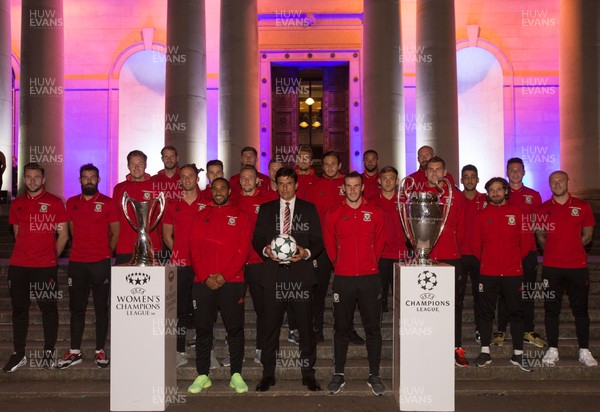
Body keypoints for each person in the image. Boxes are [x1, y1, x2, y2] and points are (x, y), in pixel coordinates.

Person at [252, 167, 323, 392]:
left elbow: (318, 241)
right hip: (273, 277)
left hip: (300, 277)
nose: (284, 188)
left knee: (305, 328)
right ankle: (268, 375)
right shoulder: (266, 209)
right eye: (280, 183)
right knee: (270, 329)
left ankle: (308, 374)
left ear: (296, 185)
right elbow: (256, 240)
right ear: (276, 185)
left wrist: (306, 253)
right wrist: (265, 250)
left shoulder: (309, 209)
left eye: (288, 183)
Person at [187, 178, 251, 394]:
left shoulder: (241, 216)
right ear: (210, 192)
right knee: (203, 330)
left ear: (229, 191)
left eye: (222, 188)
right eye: (214, 189)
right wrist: (206, 277)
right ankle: (203, 375)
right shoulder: (200, 216)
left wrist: (224, 276)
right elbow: (193, 250)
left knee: (235, 330)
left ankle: (236, 374)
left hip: (232, 282)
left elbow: (242, 251)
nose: (218, 192)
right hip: (202, 283)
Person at [324, 172, 386, 396]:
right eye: (348, 186)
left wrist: (369, 263)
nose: (352, 190)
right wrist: (339, 264)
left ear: (362, 188)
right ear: (343, 188)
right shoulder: (334, 214)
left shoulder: (375, 213)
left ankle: (374, 374)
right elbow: (329, 243)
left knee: (373, 329)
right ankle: (338, 373)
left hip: (370, 278)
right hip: (343, 278)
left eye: (356, 186)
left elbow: (379, 242)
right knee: (340, 328)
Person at [3, 163, 69, 372]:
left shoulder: (55, 203)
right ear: (24, 180)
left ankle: (48, 353)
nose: (32, 181)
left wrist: (51, 257)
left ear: (43, 180)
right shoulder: (17, 204)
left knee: (48, 309)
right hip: (19, 266)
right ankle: (19, 353)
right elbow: (17, 232)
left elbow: (64, 235)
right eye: (28, 177)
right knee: (19, 310)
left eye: (36, 177)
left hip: (44, 267)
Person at [57, 164, 119, 370]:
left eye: (93, 177)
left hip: (101, 263)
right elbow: (72, 231)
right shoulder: (72, 203)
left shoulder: (108, 203)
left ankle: (100, 349)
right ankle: (75, 351)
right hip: (77, 263)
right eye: (85, 177)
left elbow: (115, 233)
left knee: (102, 308)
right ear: (80, 180)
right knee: (77, 308)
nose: (89, 180)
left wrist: (105, 253)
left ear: (99, 180)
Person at [537, 171, 597, 367]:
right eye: (553, 181)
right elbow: (540, 236)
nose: (557, 184)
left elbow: (587, 235)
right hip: (551, 268)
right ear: (549, 184)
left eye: (561, 180)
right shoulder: (542, 209)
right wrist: (554, 252)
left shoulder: (582, 206)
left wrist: (572, 249)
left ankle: (584, 350)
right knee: (551, 310)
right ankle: (552, 349)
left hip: (577, 267)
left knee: (580, 310)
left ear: (568, 182)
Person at [472, 177, 533, 372]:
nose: (495, 193)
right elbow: (475, 245)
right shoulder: (481, 215)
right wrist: (488, 261)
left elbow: (526, 243)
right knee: (485, 313)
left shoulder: (518, 213)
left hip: (512, 272)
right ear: (487, 193)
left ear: (506, 191)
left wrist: (512, 261)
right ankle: (484, 352)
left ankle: (518, 354)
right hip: (488, 272)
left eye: (499, 189)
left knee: (516, 312)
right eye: (492, 190)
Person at [309, 152, 364, 344]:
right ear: (322, 167)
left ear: (340, 164)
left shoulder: (349, 185)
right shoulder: (315, 186)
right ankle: (316, 328)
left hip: (347, 247)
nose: (330, 167)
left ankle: (347, 328)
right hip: (322, 248)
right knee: (319, 290)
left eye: (333, 164)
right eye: (326, 164)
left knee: (349, 293)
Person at [494, 158, 545, 347]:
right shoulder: (499, 194)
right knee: (503, 292)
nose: (515, 173)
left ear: (524, 172)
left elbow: (538, 223)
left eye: (518, 170)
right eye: (511, 170)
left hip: (528, 251)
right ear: (507, 172)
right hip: (505, 253)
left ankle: (527, 330)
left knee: (528, 292)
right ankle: (500, 330)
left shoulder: (534, 195)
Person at [422, 157, 468, 367]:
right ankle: (429, 346)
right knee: (427, 304)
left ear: (445, 171)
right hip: (427, 258)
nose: (434, 173)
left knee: (453, 306)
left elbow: (462, 226)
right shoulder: (418, 195)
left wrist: (452, 249)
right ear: (425, 173)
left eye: (438, 169)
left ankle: (455, 346)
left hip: (451, 257)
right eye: (430, 170)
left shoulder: (455, 196)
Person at [162, 163, 204, 368]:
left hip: (203, 265)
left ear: (197, 178)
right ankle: (179, 350)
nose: (187, 180)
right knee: (178, 310)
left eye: (191, 176)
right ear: (179, 180)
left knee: (202, 309)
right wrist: (179, 252)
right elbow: (166, 235)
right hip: (179, 264)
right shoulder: (172, 203)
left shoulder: (207, 201)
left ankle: (205, 349)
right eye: (183, 177)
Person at [232, 165, 270, 364]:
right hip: (235, 264)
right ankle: (235, 352)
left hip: (258, 263)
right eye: (243, 178)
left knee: (261, 309)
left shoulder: (266, 201)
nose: (247, 181)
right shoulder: (232, 201)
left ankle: (261, 348)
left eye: (250, 178)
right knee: (233, 310)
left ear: (257, 180)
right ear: (239, 181)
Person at [112, 150, 162, 265]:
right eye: (133, 164)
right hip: (125, 246)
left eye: (140, 164)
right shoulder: (119, 188)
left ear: (145, 165)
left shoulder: (156, 187)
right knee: (124, 281)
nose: (136, 168)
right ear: (128, 166)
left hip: (152, 246)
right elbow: (115, 219)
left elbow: (162, 218)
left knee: (153, 282)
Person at [370, 166, 408, 312]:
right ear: (379, 181)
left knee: (403, 296)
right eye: (384, 178)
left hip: (401, 254)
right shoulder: (371, 202)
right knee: (380, 295)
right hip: (380, 255)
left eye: (391, 178)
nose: (388, 182)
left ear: (397, 181)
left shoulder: (405, 202)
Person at [459, 164, 488, 344]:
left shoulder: (486, 200)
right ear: (461, 180)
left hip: (480, 256)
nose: (469, 180)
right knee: (457, 298)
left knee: (481, 297)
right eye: (466, 177)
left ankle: (480, 330)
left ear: (478, 179)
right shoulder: (455, 199)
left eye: (473, 176)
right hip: (459, 255)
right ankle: (454, 334)